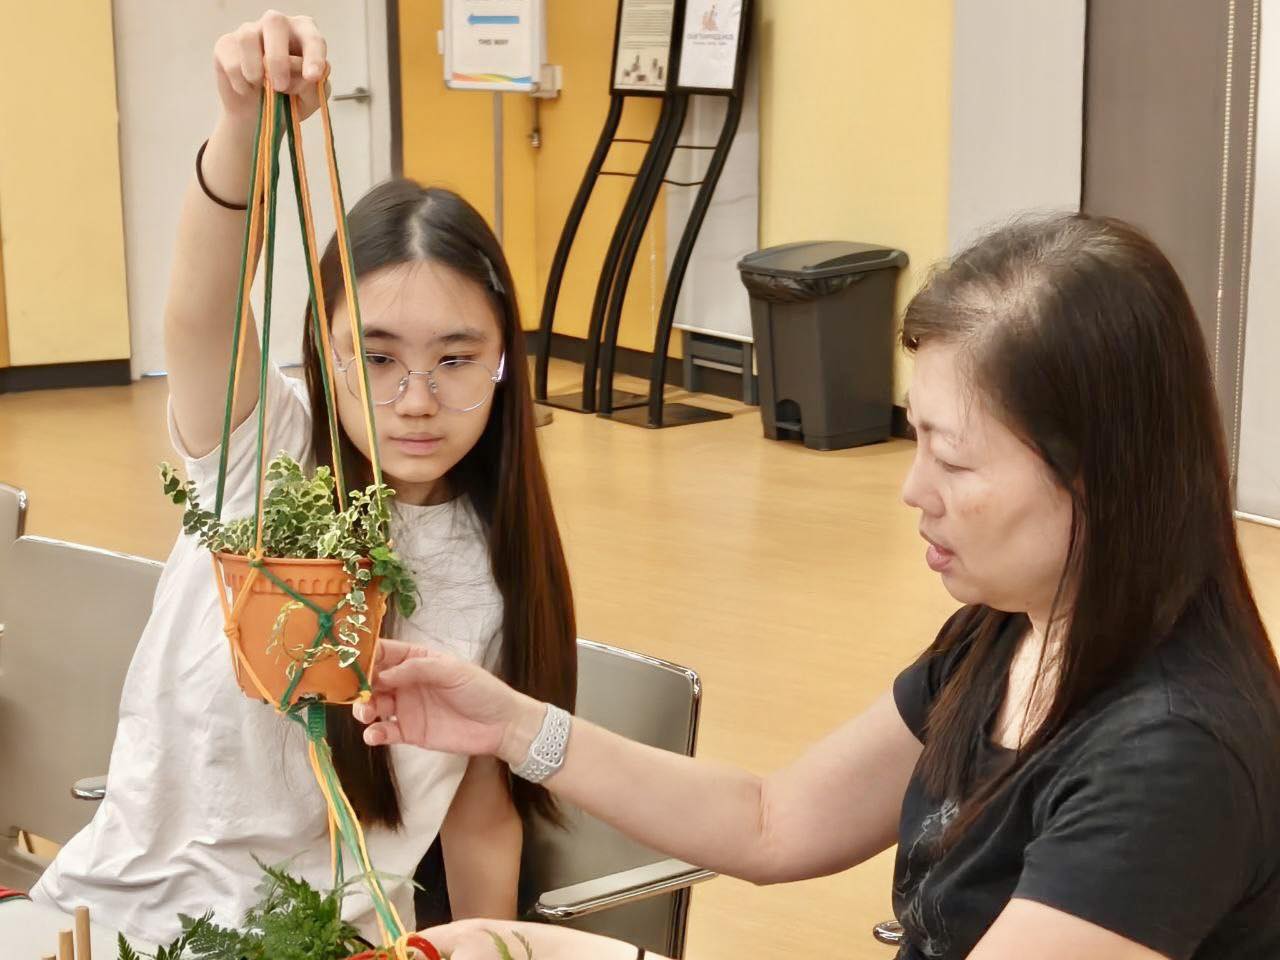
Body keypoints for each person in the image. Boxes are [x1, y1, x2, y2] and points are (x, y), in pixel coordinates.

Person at [355, 214, 1280, 960]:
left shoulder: (1168, 762)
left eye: (954, 459)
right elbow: (774, 820)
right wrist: (515, 728)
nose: (913, 490)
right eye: (914, 439)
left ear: (1100, 476)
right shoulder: (1011, 630)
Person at [31, 11, 576, 944]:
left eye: (454, 359)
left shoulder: (500, 563)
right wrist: (245, 122)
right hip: (121, 917)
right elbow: (202, 308)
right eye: (377, 357)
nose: (414, 401)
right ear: (323, 355)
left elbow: (484, 814)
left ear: (501, 364)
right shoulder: (263, 455)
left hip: (333, 938)